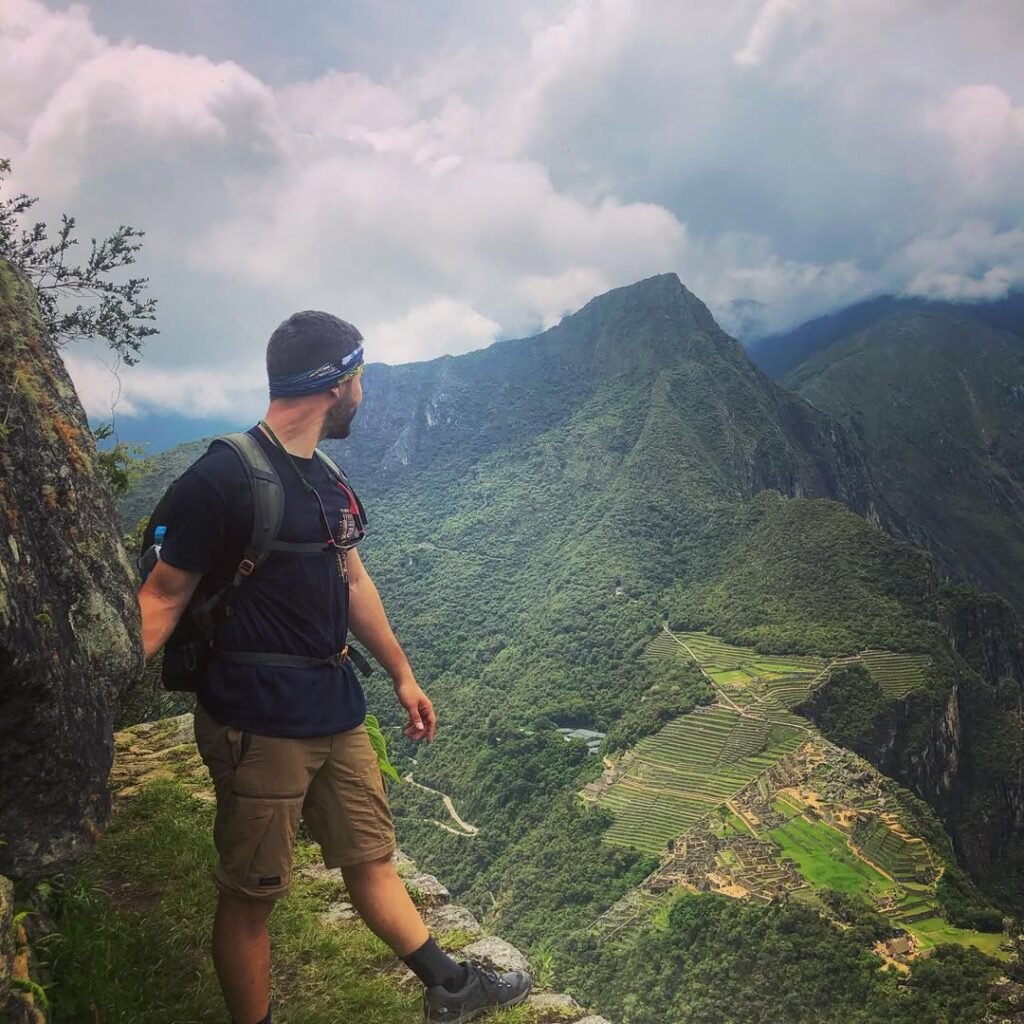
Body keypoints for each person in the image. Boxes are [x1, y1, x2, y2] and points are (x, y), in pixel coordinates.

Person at [137, 311, 532, 1024]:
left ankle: (449, 987)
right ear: (340, 384)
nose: (362, 393)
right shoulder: (220, 478)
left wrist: (404, 675)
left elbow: (353, 583)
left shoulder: (325, 478)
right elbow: (161, 599)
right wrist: (71, 700)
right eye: (360, 379)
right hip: (259, 724)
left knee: (370, 854)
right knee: (251, 897)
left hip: (336, 706)